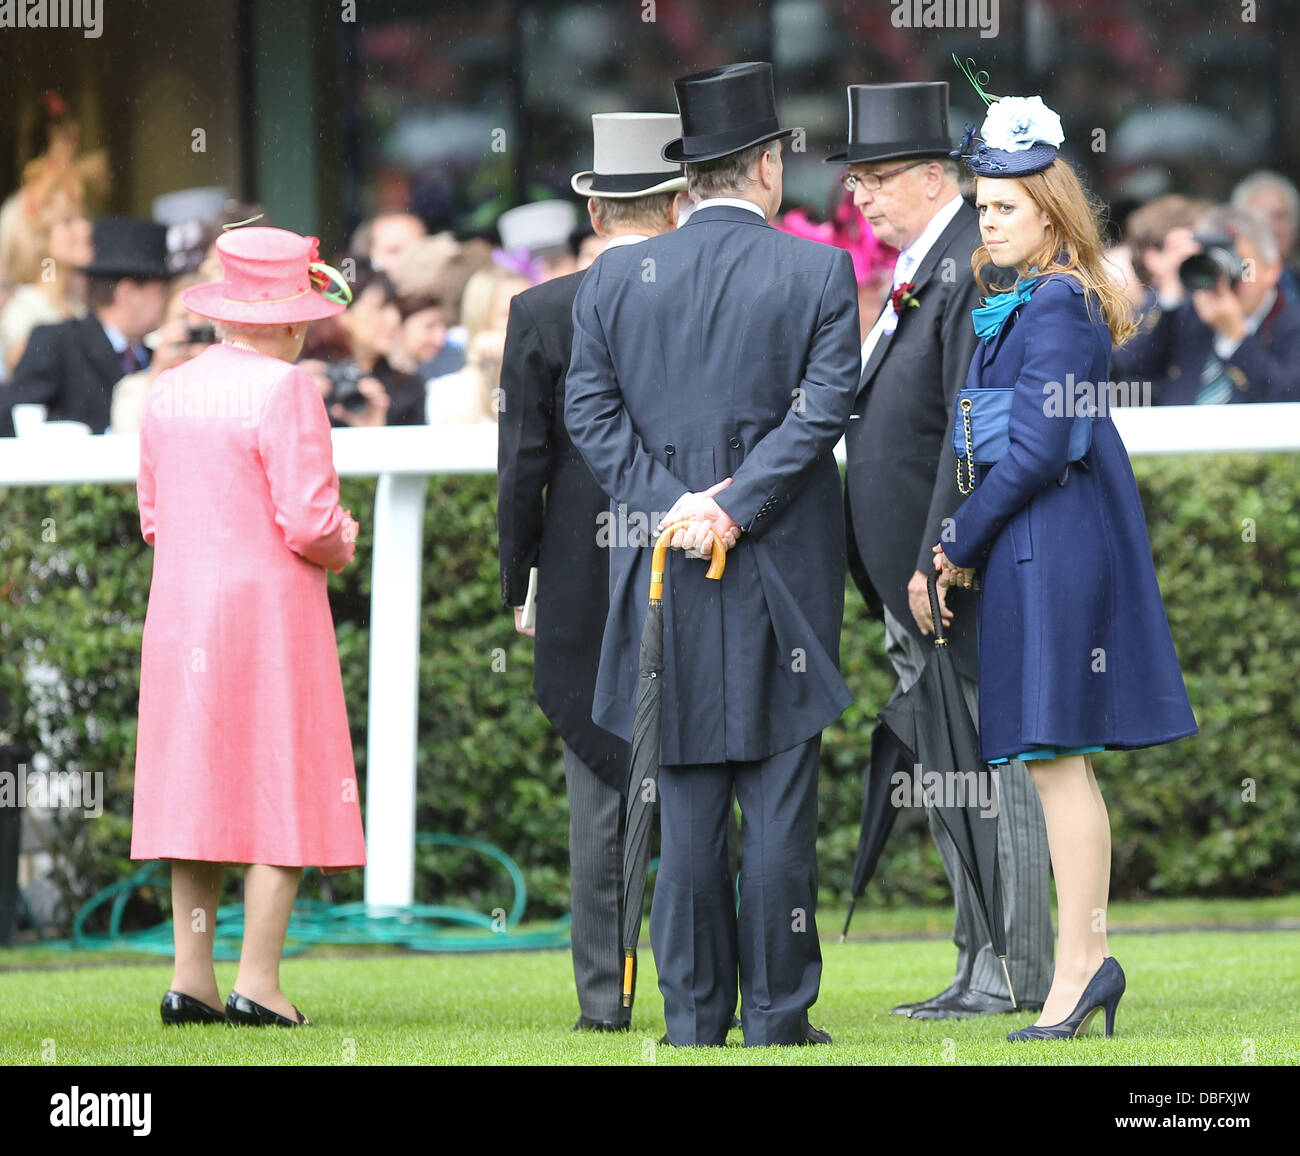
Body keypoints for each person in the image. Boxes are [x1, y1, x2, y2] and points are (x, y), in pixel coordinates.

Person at [566, 62, 861, 1048]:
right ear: (769, 166)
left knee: (686, 802)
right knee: (777, 806)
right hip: (778, 561)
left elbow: (588, 415)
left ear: (687, 178)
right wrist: (731, 506)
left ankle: (695, 1017)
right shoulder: (818, 271)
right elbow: (823, 408)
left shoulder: (611, 276)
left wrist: (676, 504)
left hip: (664, 567)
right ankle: (779, 1014)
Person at [934, 86, 1197, 1042]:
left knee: (1055, 767)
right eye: (982, 202)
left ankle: (1081, 969)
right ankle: (1087, 968)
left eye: (1004, 204)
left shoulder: (1055, 302)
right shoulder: (1043, 297)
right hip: (1041, 538)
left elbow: (1040, 451)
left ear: (1051, 210)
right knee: (1055, 764)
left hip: (1049, 540)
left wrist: (959, 539)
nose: (986, 217)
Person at [831, 81, 1053, 1021]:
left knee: (995, 778)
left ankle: (1013, 971)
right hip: (917, 580)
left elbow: (974, 430)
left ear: (936, 177)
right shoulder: (935, 263)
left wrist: (938, 559)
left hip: (948, 581)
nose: (861, 198)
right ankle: (979, 964)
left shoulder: (974, 261)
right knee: (959, 776)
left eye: (878, 178)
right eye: (855, 181)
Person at [131, 225, 365, 1027]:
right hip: (270, 614)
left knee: (193, 791)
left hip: (182, 611)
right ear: (290, 321)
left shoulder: (168, 388)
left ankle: (189, 978)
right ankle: (258, 983)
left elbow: (153, 519)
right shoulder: (286, 389)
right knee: (285, 783)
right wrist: (348, 538)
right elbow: (308, 522)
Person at [498, 111, 687, 1033]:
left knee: (596, 803)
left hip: (578, 569)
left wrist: (519, 579)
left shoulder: (542, 310)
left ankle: (602, 1003)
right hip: (699, 551)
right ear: (678, 197)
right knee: (701, 780)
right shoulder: (705, 293)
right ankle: (699, 989)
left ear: (594, 206)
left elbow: (522, 466)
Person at [1111, 204, 1300, 404]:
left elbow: (1289, 397)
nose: (1226, 277)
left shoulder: (1292, 324)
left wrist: (1236, 338)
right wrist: (1169, 297)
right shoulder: (1186, 312)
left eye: (1241, 265)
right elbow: (1129, 368)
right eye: (1215, 263)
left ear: (1272, 269)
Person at [0, 217, 171, 436]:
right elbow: (13, 417)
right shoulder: (57, 342)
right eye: (160, 293)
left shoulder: (152, 356)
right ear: (127, 293)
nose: (165, 303)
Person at [1231, 170, 1300, 303]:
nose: (1271, 226)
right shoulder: (1225, 285)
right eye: (1259, 217)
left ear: (1294, 226)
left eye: (1280, 216)